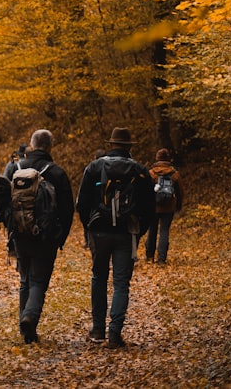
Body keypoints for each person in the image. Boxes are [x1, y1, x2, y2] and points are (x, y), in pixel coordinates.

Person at [75, 127, 155, 349]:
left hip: (99, 231)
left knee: (98, 278)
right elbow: (150, 207)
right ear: (129, 147)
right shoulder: (140, 170)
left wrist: (89, 227)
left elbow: (81, 203)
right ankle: (114, 334)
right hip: (126, 233)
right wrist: (139, 231)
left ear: (111, 145)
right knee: (121, 283)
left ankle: (98, 329)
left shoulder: (94, 167)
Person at [2, 129, 74, 344]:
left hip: (20, 233)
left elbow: (4, 200)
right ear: (50, 146)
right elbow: (67, 209)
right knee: (39, 281)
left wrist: (10, 228)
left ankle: (26, 330)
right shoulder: (57, 172)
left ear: (32, 145)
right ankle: (30, 318)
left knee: (25, 279)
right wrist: (60, 238)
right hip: (46, 236)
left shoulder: (16, 168)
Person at [145, 148, 183, 264]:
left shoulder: (151, 173)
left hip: (153, 206)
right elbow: (180, 191)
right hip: (168, 206)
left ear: (157, 158)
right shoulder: (174, 173)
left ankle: (149, 256)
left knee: (152, 230)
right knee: (164, 230)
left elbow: (146, 191)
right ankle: (161, 258)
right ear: (168, 159)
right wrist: (178, 205)